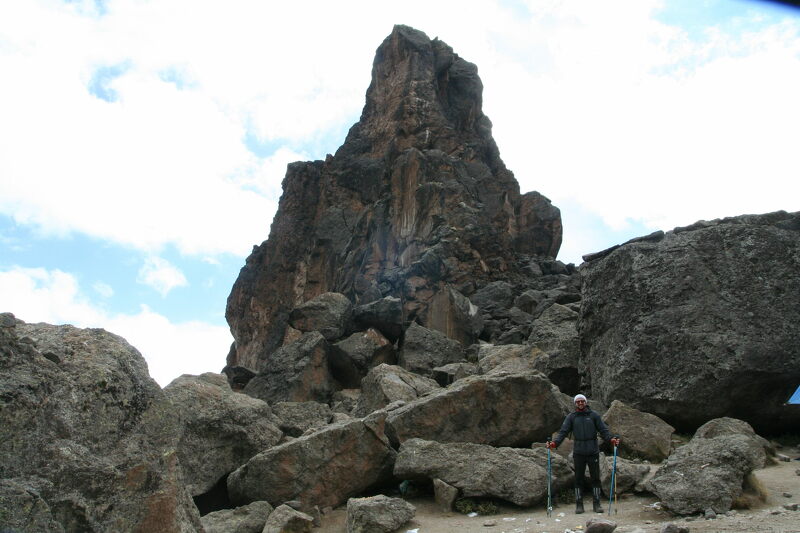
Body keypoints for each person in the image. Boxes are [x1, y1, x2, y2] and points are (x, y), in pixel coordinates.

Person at [546, 394, 620, 514]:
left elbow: (603, 430)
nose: (580, 403)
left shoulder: (594, 415)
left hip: (593, 451)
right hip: (579, 452)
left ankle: (597, 504)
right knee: (578, 479)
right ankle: (579, 505)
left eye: (582, 401)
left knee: (595, 478)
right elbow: (563, 432)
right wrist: (554, 443)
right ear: (575, 403)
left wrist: (611, 439)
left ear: (586, 402)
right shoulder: (571, 417)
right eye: (578, 402)